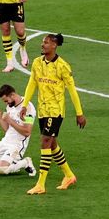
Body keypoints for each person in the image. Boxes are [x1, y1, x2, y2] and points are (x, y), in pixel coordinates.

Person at [20, 33, 86, 195]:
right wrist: (25, 104)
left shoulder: (63, 66)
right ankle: (69, 175)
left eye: (46, 43)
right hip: (43, 110)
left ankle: (41, 184)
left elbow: (72, 91)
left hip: (56, 111)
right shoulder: (37, 63)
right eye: (43, 42)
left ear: (54, 46)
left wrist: (79, 113)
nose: (42, 45)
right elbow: (31, 84)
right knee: (52, 144)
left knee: (45, 142)